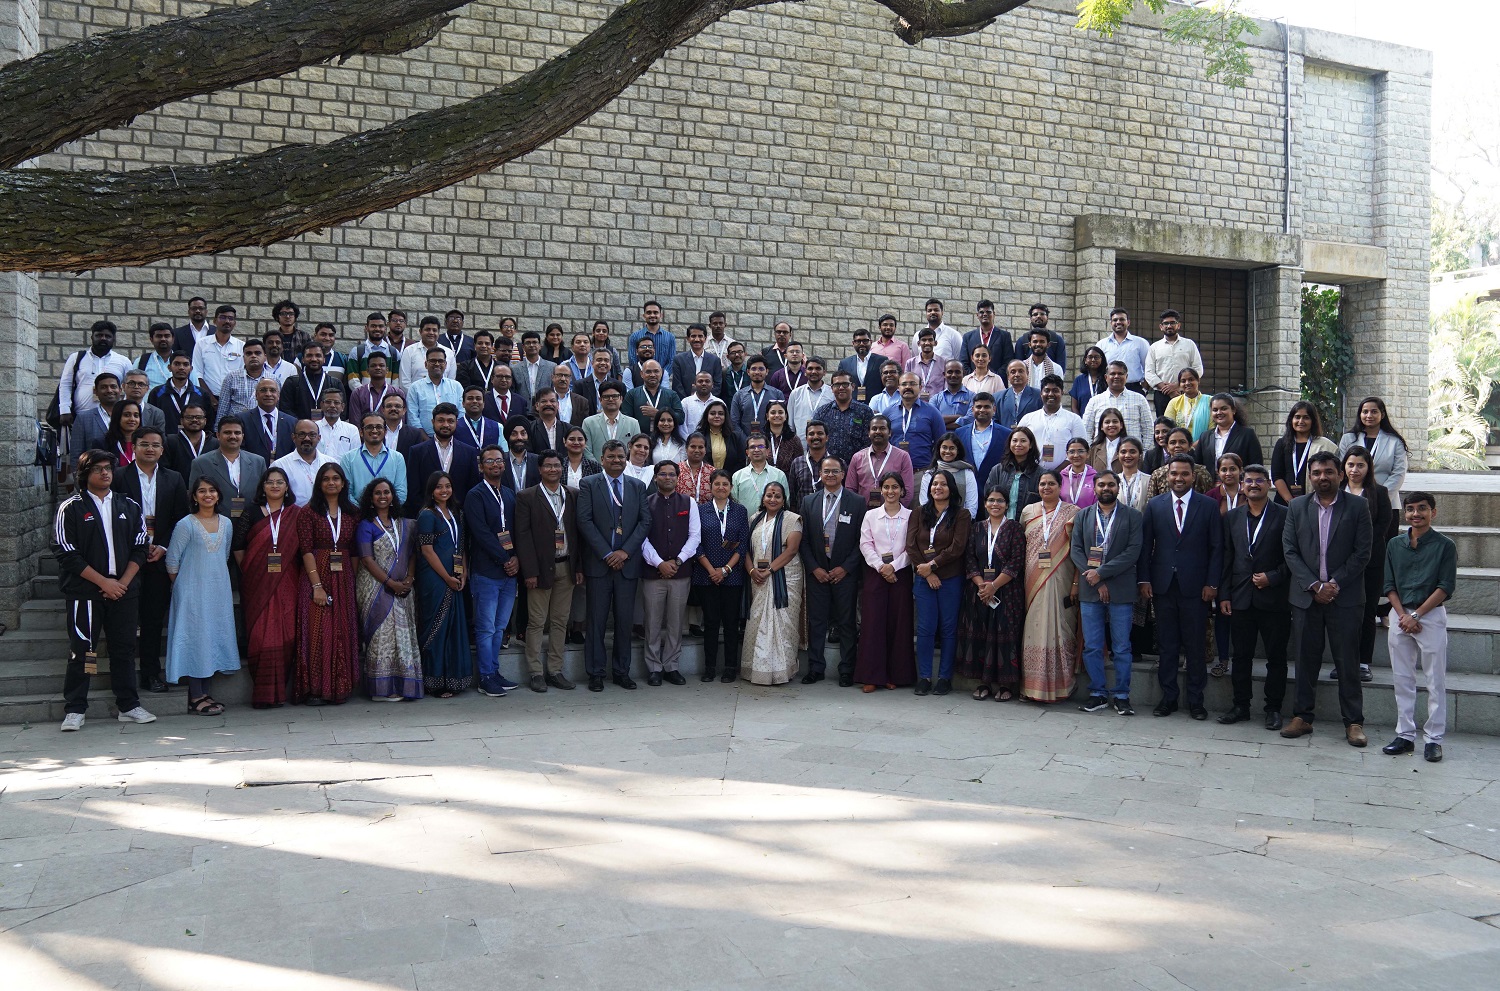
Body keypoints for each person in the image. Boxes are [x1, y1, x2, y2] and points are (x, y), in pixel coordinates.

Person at [54, 450, 156, 731]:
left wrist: (122, 583)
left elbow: (140, 547)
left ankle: (128, 705)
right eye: (97, 469)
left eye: (108, 468)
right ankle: (75, 708)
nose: (105, 473)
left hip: (124, 591)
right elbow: (66, 553)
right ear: (85, 474)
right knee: (83, 650)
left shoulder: (129, 505)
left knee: (124, 649)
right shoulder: (70, 508)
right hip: (85, 593)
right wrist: (104, 583)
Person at [1280, 452, 1373, 746]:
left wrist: (1333, 584)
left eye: (1329, 472)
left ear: (1340, 475)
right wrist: (1313, 585)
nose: (1323, 477)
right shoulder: (1296, 506)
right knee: (1305, 659)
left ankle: (1354, 722)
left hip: (1344, 598)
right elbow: (1289, 550)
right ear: (1310, 476)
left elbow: (1363, 552)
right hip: (1306, 598)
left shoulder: (1358, 506)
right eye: (1317, 472)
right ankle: (1302, 717)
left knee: (1348, 661)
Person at [1138, 456, 1223, 720]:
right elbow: (1146, 545)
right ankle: (1169, 698)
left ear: (1193, 476)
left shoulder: (1208, 506)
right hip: (1163, 586)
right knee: (1167, 645)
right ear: (1168, 476)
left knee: (1195, 646)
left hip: (1196, 588)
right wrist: (1144, 579)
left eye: (1184, 474)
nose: (1179, 478)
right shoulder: (1155, 505)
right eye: (1174, 473)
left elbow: (1216, 548)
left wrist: (1212, 583)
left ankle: (1196, 701)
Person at [110, 427, 188, 695]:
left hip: (158, 558)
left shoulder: (174, 478)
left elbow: (180, 517)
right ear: (134, 447)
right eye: (145, 444)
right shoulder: (119, 476)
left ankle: (151, 674)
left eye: (155, 445)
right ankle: (122, 677)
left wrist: (163, 546)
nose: (150, 449)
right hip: (126, 558)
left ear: (162, 450)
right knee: (125, 620)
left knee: (153, 619)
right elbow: (112, 516)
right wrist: (137, 547)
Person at [1382, 491, 1459, 763]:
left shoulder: (1445, 546)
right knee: (1402, 678)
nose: (1416, 514)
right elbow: (1389, 584)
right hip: (1400, 615)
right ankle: (1404, 735)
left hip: (1430, 616)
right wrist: (1403, 615)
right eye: (1411, 509)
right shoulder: (1394, 545)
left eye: (1422, 508)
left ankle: (1434, 739)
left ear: (1433, 512)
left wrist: (1416, 615)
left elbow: (1445, 586)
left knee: (1435, 680)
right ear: (1405, 513)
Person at [1216, 464, 1291, 728]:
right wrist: (1224, 594)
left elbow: (1293, 556)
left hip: (1275, 598)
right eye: (1249, 481)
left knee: (1276, 658)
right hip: (1240, 598)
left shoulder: (1285, 515)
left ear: (1269, 484)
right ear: (1242, 485)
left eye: (1260, 480)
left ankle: (1273, 709)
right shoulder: (1232, 517)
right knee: (1241, 657)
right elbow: (1227, 557)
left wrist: (1274, 576)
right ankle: (1241, 706)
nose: (1254, 485)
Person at [577, 439, 651, 691]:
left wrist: (624, 552)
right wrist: (607, 553)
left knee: (624, 621)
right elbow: (584, 521)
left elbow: (644, 522)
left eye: (620, 456)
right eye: (611, 456)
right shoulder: (588, 484)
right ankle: (596, 673)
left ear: (626, 458)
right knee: (596, 621)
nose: (617, 460)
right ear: (602, 459)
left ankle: (622, 672)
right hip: (599, 564)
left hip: (627, 566)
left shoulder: (637, 486)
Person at [164, 476, 239, 714]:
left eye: (212, 490)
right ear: (194, 497)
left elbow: (223, 555)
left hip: (218, 590)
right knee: (195, 638)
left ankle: (205, 693)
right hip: (191, 591)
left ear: (218, 495)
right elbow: (172, 560)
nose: (208, 495)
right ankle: (195, 695)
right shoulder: (186, 524)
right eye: (202, 491)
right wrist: (185, 587)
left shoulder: (226, 523)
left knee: (212, 636)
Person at [1071, 471, 1143, 715]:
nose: (1106, 488)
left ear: (1118, 487)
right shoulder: (1083, 516)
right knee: (1092, 646)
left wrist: (1101, 573)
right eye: (1101, 484)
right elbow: (1076, 550)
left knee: (1121, 647)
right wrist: (1095, 579)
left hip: (1120, 588)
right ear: (1094, 488)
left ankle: (1122, 695)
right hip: (1090, 588)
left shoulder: (1133, 516)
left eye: (1111, 484)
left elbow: (1133, 552)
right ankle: (1098, 693)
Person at [233, 467, 302, 709]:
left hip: (288, 581)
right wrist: (252, 572)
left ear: (287, 487)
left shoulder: (296, 514)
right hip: (256, 584)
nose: (274, 486)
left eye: (279, 482)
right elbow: (238, 546)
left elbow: (303, 550)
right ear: (262, 486)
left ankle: (280, 691)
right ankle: (263, 694)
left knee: (287, 631)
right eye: (270, 482)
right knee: (260, 636)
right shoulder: (251, 512)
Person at [514, 451, 581, 692]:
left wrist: (578, 566)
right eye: (548, 466)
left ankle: (555, 670)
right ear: (540, 469)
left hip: (567, 565)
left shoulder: (573, 494)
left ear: (562, 469)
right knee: (536, 622)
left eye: (557, 465)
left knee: (560, 621)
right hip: (540, 569)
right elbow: (522, 537)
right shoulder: (527, 496)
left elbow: (578, 534)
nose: (553, 469)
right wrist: (530, 571)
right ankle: (535, 673)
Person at [296, 462, 361, 705]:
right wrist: (317, 586)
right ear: (319, 484)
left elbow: (355, 551)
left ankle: (340, 687)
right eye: (326, 479)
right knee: (318, 630)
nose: (331, 482)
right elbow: (306, 550)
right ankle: (316, 689)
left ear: (343, 483)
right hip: (316, 575)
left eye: (336, 478)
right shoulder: (308, 512)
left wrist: (351, 582)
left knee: (342, 630)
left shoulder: (353, 513)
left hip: (344, 577)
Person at [798, 456, 865, 687]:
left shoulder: (857, 502)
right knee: (817, 622)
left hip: (844, 573)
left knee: (846, 622)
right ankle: (815, 668)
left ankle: (846, 669)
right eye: (826, 471)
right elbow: (803, 540)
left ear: (843, 474)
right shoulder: (809, 501)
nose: (830, 475)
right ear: (820, 474)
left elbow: (862, 540)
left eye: (835, 471)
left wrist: (845, 568)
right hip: (817, 572)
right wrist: (814, 568)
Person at [354, 478, 422, 701]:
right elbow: (366, 559)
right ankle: (380, 690)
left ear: (393, 496)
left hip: (403, 588)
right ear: (371, 498)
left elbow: (411, 553)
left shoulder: (405, 524)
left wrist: (409, 578)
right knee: (382, 637)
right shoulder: (366, 525)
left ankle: (403, 686)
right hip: (376, 588)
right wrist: (390, 583)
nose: (382, 496)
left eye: (386, 492)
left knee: (402, 636)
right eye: (377, 493)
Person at [955, 486, 1025, 702]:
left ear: (1007, 504)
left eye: (1000, 500)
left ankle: (1005, 684)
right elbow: (969, 559)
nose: (995, 504)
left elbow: (1016, 561)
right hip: (979, 592)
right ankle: (983, 682)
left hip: (1007, 592)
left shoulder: (1014, 528)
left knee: (1005, 636)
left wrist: (994, 585)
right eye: (991, 500)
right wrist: (981, 585)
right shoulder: (977, 528)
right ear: (985, 504)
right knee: (981, 633)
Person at [907, 469, 971, 696]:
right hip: (924, 579)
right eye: (935, 484)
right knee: (925, 628)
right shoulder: (919, 512)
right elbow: (911, 545)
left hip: (950, 579)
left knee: (948, 628)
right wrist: (927, 573)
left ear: (951, 488)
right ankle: (924, 677)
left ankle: (945, 677)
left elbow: (957, 547)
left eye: (943, 484)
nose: (938, 488)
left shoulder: (961, 514)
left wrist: (933, 566)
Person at [463, 446, 521, 698]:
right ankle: (485, 677)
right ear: (481, 466)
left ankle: (494, 671)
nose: (495, 464)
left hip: (509, 573)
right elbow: (481, 533)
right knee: (486, 628)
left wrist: (516, 558)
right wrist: (505, 558)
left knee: (499, 628)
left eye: (499, 460)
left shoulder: (509, 494)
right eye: (489, 461)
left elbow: (517, 530)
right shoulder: (475, 495)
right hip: (486, 571)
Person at [639, 461, 700, 686]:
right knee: (652, 622)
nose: (668, 478)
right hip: (652, 573)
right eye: (663, 474)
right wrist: (659, 563)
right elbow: (641, 537)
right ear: (655, 477)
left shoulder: (688, 502)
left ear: (677, 477)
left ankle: (671, 666)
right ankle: (654, 668)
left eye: (672, 474)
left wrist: (678, 560)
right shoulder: (645, 503)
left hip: (680, 572)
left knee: (676, 622)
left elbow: (695, 535)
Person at [1020, 470, 1078, 703]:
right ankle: (1031, 687)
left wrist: (1076, 583)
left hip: (1062, 577)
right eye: (1042, 483)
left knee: (1060, 627)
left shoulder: (1073, 512)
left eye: (1051, 483)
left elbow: (1078, 550)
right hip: (1032, 580)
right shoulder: (1028, 511)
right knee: (1033, 627)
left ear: (1060, 486)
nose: (1046, 487)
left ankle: (1060, 687)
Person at [414, 471, 473, 697]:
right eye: (439, 487)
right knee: (436, 629)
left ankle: (453, 679)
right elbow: (427, 551)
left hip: (455, 577)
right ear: (431, 491)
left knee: (453, 627)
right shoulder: (427, 515)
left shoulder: (457, 513)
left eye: (447, 486)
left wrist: (463, 571)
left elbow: (461, 545)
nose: (444, 490)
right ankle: (434, 682)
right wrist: (446, 578)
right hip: (434, 579)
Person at [855, 472, 916, 691]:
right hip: (875, 573)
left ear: (902, 490)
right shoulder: (871, 515)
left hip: (901, 573)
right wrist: (881, 566)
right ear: (881, 490)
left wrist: (894, 566)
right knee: (873, 624)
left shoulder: (911, 516)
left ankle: (895, 675)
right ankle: (872, 676)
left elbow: (912, 546)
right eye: (886, 487)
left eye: (895, 487)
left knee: (898, 624)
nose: (891, 491)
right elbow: (865, 544)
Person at [741, 481, 804, 685]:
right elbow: (745, 549)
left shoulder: (792, 519)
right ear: (763, 498)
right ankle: (757, 669)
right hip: (757, 578)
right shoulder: (754, 519)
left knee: (783, 623)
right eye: (769, 495)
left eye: (777, 496)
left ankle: (781, 672)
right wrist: (752, 571)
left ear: (784, 500)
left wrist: (769, 570)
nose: (773, 499)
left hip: (785, 578)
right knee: (758, 621)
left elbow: (791, 550)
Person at [1339, 445, 1393, 684]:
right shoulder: (1336, 491)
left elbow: (1383, 525)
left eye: (1360, 465)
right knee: (1343, 613)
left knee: (1367, 611)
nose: (1355, 469)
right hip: (1340, 562)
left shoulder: (1379, 492)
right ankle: (1344, 661)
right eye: (1350, 464)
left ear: (1368, 467)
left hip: (1371, 561)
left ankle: (1363, 663)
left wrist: (1360, 546)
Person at [694, 469, 750, 683]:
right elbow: (696, 542)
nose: (721, 487)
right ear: (710, 487)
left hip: (732, 576)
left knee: (731, 623)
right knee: (710, 622)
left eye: (725, 484)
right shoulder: (700, 510)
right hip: (706, 575)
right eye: (717, 484)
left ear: (731, 487)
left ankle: (729, 667)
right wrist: (711, 570)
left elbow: (743, 544)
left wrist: (725, 570)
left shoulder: (739, 510)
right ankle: (709, 668)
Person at [53, 321, 133, 437]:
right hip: (82, 414)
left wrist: (124, 411)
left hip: (113, 416)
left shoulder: (123, 361)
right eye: (99, 335)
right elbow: (65, 384)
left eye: (107, 336)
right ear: (92, 337)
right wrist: (65, 410)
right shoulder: (76, 358)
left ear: (114, 339)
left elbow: (129, 388)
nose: (103, 338)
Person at [189, 415, 266, 519]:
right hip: (215, 522)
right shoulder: (201, 463)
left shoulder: (258, 462)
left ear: (243, 436)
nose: (233, 436)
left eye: (237, 433)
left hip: (252, 522)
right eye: (227, 432)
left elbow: (264, 495)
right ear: (218, 435)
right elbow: (193, 498)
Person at [1271, 401, 1337, 505]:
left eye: (1306, 417)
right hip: (1284, 503)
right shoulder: (1282, 444)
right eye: (1297, 417)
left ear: (1313, 421)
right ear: (1291, 420)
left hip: (1314, 502)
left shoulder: (1323, 445)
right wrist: (1291, 502)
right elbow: (1277, 475)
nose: (1301, 421)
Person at [341, 413, 409, 505]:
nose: (374, 430)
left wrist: (385, 509)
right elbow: (347, 493)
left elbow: (401, 493)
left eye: (379, 427)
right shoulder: (348, 458)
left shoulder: (397, 458)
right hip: (358, 512)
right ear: (361, 432)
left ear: (385, 431)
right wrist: (362, 510)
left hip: (389, 512)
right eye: (369, 427)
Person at [1144, 310, 1204, 415]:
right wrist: (1167, 389)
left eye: (1172, 323)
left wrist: (1178, 386)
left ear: (1178, 325)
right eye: (1166, 323)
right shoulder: (1154, 347)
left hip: (1185, 392)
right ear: (1161, 327)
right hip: (1162, 394)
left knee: (1187, 421)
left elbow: (1198, 369)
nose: (1169, 326)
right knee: (1163, 423)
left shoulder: (1189, 344)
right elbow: (1149, 373)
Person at [1082, 360, 1153, 443]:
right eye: (1112, 374)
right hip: (1102, 450)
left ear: (1126, 377)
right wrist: (1092, 450)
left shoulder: (1139, 399)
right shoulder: (1095, 401)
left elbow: (1149, 430)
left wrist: (1144, 450)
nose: (1116, 376)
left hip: (1131, 450)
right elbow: (1086, 430)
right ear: (1106, 377)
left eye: (1120, 374)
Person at [813, 370, 873, 465]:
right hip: (828, 468)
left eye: (845, 384)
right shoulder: (822, 412)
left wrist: (857, 464)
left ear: (853, 387)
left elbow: (869, 441)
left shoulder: (865, 412)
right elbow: (814, 440)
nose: (841, 388)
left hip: (857, 466)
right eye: (837, 385)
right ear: (832, 388)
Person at [272, 420, 336, 506]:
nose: (307, 438)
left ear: (319, 438)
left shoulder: (331, 463)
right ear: (293, 437)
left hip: (327, 513)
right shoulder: (280, 465)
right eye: (302, 434)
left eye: (312, 435)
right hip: (292, 514)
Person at [983, 426, 1041, 520]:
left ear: (1030, 445)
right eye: (1014, 441)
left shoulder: (1040, 473)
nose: (1018, 444)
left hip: (1028, 525)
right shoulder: (997, 470)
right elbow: (987, 500)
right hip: (1000, 525)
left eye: (1023, 441)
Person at [1192, 393, 1263, 470]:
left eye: (1224, 409)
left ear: (1233, 410)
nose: (1219, 412)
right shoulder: (1205, 436)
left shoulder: (1247, 434)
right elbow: (1197, 466)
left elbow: (1256, 465)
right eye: (1215, 410)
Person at [916, 433, 979, 517]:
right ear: (939, 449)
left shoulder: (967, 473)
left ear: (958, 450)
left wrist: (962, 521)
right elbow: (924, 503)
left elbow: (972, 506)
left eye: (952, 448)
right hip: (932, 521)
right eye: (944, 447)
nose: (947, 451)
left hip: (961, 521)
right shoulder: (929, 474)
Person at [147, 351, 206, 436]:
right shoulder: (156, 393)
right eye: (177, 364)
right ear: (169, 367)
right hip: (165, 440)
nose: (181, 368)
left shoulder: (202, 394)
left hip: (194, 440)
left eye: (185, 364)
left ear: (191, 368)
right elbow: (151, 421)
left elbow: (208, 422)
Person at [279, 342, 341, 422]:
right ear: (303, 359)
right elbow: (285, 409)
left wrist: (325, 425)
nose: (314, 359)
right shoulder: (291, 383)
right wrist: (302, 425)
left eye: (318, 355)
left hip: (328, 427)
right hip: (299, 428)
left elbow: (342, 410)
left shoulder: (335, 383)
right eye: (309, 355)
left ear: (324, 359)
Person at [729, 355, 785, 441]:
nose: (757, 372)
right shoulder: (739, 395)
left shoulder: (777, 394)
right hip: (745, 444)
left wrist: (770, 442)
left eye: (761, 369)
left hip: (771, 443)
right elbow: (734, 423)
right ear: (748, 372)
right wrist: (747, 442)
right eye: (754, 369)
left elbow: (782, 420)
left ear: (767, 371)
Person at [239, 378, 295, 464]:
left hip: (284, 468)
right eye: (263, 390)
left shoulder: (291, 422)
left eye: (272, 390)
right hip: (253, 467)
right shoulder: (243, 419)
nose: (268, 394)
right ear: (256, 395)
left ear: (278, 395)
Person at [582, 381, 641, 462]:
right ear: (600, 400)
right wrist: (598, 467)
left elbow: (636, 450)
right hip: (597, 468)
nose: (611, 399)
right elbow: (586, 450)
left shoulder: (633, 424)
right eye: (606, 397)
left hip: (625, 468)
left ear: (621, 399)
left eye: (614, 396)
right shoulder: (589, 423)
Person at [956, 393, 1008, 485]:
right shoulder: (960, 433)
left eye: (987, 407)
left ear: (994, 409)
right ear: (972, 409)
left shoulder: (1006, 434)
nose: (982, 410)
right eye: (978, 407)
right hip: (966, 485)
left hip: (995, 486)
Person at [68, 371, 122, 459]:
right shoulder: (83, 418)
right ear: (95, 391)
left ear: (120, 390)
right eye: (103, 387)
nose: (109, 390)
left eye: (113, 387)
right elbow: (76, 453)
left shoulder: (129, 417)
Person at [1147, 428, 1212, 497]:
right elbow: (1151, 501)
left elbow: (1208, 500)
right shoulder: (1158, 474)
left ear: (1190, 446)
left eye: (1182, 442)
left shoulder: (1202, 473)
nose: (1177, 445)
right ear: (1167, 447)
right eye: (1173, 443)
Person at [731, 433, 789, 511]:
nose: (757, 450)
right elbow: (733, 504)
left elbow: (785, 503)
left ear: (767, 451)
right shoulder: (737, 476)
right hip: (744, 519)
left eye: (761, 446)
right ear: (747, 452)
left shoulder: (779, 475)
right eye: (752, 447)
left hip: (773, 519)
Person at [1097, 308, 1150, 394]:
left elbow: (1148, 367)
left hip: (1133, 388)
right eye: (1115, 320)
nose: (1118, 322)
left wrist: (1145, 389)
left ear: (1128, 322)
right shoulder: (1101, 344)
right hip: (1107, 388)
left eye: (1122, 319)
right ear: (1111, 323)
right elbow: (1098, 368)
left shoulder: (1141, 343)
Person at [347, 352, 405, 427]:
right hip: (366, 433)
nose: (378, 368)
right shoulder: (358, 393)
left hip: (392, 433)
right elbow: (355, 422)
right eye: (373, 365)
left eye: (381, 365)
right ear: (367, 370)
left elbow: (401, 421)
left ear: (387, 370)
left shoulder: (398, 393)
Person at [961, 300, 1013, 375]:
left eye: (988, 312)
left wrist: (994, 377)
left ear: (994, 314)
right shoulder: (968, 337)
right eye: (982, 312)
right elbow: (963, 363)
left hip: (997, 380)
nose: (985, 314)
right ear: (977, 315)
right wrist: (974, 377)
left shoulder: (1004, 336)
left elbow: (1008, 362)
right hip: (973, 381)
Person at [696, 397, 744, 474]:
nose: (717, 416)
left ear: (725, 416)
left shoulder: (735, 436)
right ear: (706, 416)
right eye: (712, 413)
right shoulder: (699, 436)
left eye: (721, 414)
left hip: (730, 478)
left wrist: (727, 477)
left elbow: (741, 461)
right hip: (704, 478)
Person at [838, 327, 885, 403]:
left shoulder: (881, 361)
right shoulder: (845, 363)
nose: (862, 344)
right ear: (853, 343)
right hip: (852, 404)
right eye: (858, 341)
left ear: (871, 342)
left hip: (876, 404)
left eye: (865, 341)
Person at [787, 355, 831, 435]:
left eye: (818, 368)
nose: (813, 372)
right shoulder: (795, 393)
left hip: (825, 440)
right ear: (805, 372)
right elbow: (790, 423)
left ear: (824, 372)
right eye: (810, 368)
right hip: (801, 440)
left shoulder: (832, 393)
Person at [1162, 368, 1210, 439]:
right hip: (1178, 444)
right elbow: (1167, 427)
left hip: (1204, 443)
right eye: (1183, 381)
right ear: (1180, 384)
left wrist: (1196, 444)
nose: (1187, 383)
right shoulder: (1174, 402)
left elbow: (1212, 429)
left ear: (1198, 381)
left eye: (1191, 379)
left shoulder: (1209, 401)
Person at [761, 400, 804, 479]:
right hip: (762, 481)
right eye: (773, 413)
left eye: (780, 412)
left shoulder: (794, 440)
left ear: (786, 416)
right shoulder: (760, 439)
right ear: (767, 416)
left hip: (787, 482)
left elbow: (800, 465)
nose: (777, 415)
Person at [1014, 302, 1066, 367]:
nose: (1038, 316)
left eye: (1042, 314)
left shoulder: (1057, 340)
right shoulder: (1022, 341)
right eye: (1035, 314)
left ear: (1047, 318)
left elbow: (1061, 366)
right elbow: (1018, 366)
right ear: (1030, 319)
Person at [629, 299, 677, 368]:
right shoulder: (635, 337)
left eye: (655, 312)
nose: (652, 315)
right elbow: (632, 359)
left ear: (661, 315)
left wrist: (662, 373)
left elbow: (671, 361)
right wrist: (642, 373)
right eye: (649, 313)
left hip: (663, 374)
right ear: (644, 315)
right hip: (640, 374)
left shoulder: (670, 337)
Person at [314, 390, 360, 459]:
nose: (332, 405)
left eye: (336, 402)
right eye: (328, 402)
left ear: (342, 407)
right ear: (322, 405)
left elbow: (355, 457)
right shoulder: (313, 427)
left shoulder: (352, 430)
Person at [997, 360, 1041, 428]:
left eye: (1020, 371)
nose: (1017, 375)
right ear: (1008, 376)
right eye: (1013, 372)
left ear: (1027, 374)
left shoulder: (1039, 396)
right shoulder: (998, 398)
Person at [904, 328, 946, 398]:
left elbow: (946, 386)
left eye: (930, 340)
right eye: (924, 340)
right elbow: (906, 384)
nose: (927, 343)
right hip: (916, 402)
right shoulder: (910, 363)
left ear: (935, 343)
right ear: (918, 343)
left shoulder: (944, 363)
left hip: (937, 402)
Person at [676, 433, 715, 503]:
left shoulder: (713, 472)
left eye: (700, 447)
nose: (697, 450)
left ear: (705, 450)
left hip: (707, 509)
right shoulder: (676, 470)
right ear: (686, 449)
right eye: (693, 447)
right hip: (681, 509)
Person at [561, 425, 602, 490]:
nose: (576, 442)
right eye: (572, 439)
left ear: (585, 442)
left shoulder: (594, 466)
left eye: (580, 439)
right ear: (564, 441)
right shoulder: (559, 465)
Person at [1070, 345, 1108, 416]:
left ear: (1102, 360)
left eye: (1096, 357)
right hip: (1082, 420)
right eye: (1090, 357)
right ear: (1085, 360)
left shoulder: (1107, 379)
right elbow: (1074, 407)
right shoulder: (1079, 380)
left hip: (1103, 421)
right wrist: (1080, 421)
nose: (1093, 360)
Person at [102, 400, 142, 466]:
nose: (132, 419)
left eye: (136, 415)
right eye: (127, 415)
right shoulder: (103, 443)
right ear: (117, 417)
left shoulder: (145, 443)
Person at [1116, 437, 1150, 513]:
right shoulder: (1113, 480)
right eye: (1123, 452)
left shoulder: (1149, 480)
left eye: (1132, 452)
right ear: (1118, 455)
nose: (1127, 455)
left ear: (1140, 455)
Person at [1088, 408, 1127, 474]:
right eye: (1107, 422)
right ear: (1101, 427)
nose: (1111, 425)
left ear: (1121, 425)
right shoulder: (1094, 449)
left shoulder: (1130, 447)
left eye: (1115, 422)